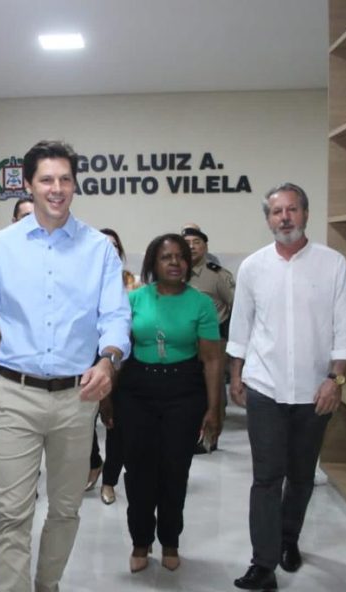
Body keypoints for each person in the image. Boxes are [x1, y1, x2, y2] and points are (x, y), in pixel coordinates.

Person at [0, 139, 131, 592]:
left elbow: (116, 318)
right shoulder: (1, 246)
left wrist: (109, 360)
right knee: (12, 513)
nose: (56, 189)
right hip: (15, 394)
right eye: (46, 180)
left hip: (78, 397)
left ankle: (47, 583)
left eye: (64, 180)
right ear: (29, 185)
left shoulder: (99, 249)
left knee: (65, 509)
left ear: (74, 185)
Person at [229, 183, 346, 591]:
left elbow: (345, 326)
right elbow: (242, 326)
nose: (284, 218)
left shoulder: (333, 264)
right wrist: (237, 374)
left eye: (292, 210)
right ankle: (263, 564)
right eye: (276, 212)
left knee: (301, 476)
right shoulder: (252, 266)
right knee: (266, 477)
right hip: (265, 387)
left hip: (315, 390)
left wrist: (335, 379)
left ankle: (289, 541)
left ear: (305, 213)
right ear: (267, 219)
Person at [116, 233, 222, 573]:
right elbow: (117, 353)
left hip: (184, 391)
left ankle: (171, 541)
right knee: (139, 472)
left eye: (180, 256)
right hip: (136, 391)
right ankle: (140, 542)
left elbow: (211, 360)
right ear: (153, 263)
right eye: (166, 257)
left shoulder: (201, 303)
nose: (175, 262)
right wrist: (107, 399)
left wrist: (213, 408)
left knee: (175, 471)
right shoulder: (134, 299)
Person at [88, 228, 139, 506]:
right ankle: (94, 463)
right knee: (84, 427)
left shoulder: (132, 283)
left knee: (114, 426)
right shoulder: (82, 279)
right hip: (85, 362)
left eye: (113, 246)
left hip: (120, 365)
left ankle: (109, 481)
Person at [182, 224, 235, 453]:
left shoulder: (217, 275)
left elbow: (237, 306)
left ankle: (211, 438)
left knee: (214, 391)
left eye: (197, 243)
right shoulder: (175, 273)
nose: (192, 247)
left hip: (213, 342)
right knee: (190, 391)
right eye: (187, 244)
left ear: (205, 247)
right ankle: (190, 435)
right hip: (184, 344)